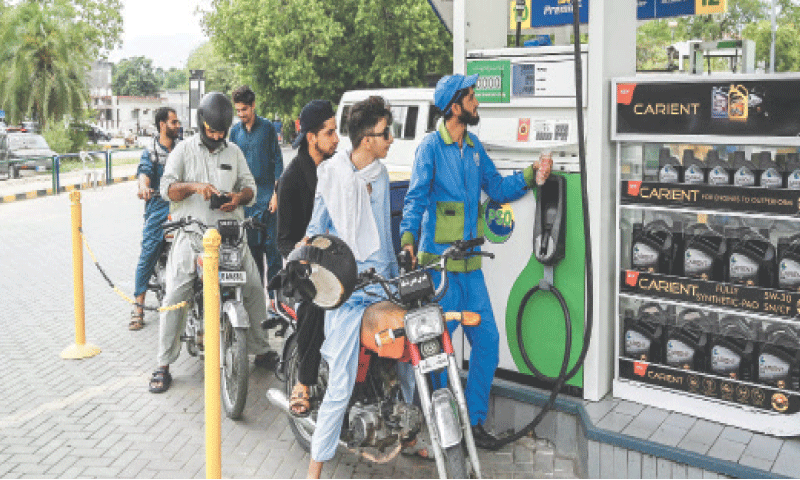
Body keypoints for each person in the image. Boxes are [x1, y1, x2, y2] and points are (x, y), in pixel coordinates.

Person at [399, 74, 552, 449]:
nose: (477, 102)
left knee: (487, 344)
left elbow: (497, 188)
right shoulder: (431, 149)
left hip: (471, 271)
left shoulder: (473, 147)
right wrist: (407, 241)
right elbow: (415, 200)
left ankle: (473, 422)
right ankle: (443, 426)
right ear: (455, 106)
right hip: (440, 274)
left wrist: (532, 175)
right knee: (437, 356)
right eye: (471, 97)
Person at [306, 96, 414, 478]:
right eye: (387, 133)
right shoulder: (330, 174)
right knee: (339, 384)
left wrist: (396, 277)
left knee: (411, 354)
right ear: (367, 139)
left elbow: (383, 235)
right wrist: (306, 262)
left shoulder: (381, 176)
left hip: (381, 285)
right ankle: (315, 469)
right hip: (347, 293)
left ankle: (410, 431)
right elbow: (316, 232)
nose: (391, 140)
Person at [148, 92, 275, 393]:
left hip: (230, 237)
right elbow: (166, 189)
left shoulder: (234, 152)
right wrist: (194, 187)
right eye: (212, 131)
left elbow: (251, 189)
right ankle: (163, 364)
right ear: (201, 124)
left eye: (222, 131)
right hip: (192, 237)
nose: (217, 136)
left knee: (255, 288)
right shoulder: (183, 150)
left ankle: (260, 347)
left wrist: (237, 198)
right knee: (174, 297)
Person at [275, 100, 338, 417]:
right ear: (312, 137)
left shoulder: (337, 169)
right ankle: (303, 380)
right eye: (330, 132)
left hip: (337, 261)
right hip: (302, 268)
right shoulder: (291, 179)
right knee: (316, 303)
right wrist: (300, 257)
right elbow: (283, 239)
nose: (337, 139)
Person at [130, 107, 180, 331]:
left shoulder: (183, 149)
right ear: (162, 125)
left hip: (182, 206)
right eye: (174, 122)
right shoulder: (150, 150)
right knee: (148, 252)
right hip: (159, 207)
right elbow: (144, 174)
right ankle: (138, 306)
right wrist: (143, 188)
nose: (177, 126)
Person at [229, 85, 283, 288]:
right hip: (247, 203)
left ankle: (277, 303)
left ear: (253, 106)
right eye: (238, 111)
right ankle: (258, 305)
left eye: (244, 109)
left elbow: (278, 162)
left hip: (269, 201)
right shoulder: (234, 133)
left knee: (273, 253)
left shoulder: (268, 128)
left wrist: (276, 195)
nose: (241, 114)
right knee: (252, 255)